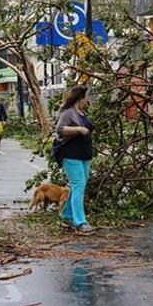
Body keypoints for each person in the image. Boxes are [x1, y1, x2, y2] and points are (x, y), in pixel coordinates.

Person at [55, 85, 96, 235]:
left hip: (84, 155)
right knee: (78, 185)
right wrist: (78, 129)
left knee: (78, 186)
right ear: (80, 98)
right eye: (86, 97)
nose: (87, 100)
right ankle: (80, 222)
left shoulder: (82, 113)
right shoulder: (68, 113)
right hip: (70, 154)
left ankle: (67, 216)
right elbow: (59, 129)